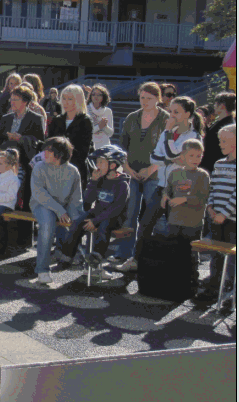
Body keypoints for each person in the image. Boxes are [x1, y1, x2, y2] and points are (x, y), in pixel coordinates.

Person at [116, 95, 203, 273]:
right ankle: (137, 260)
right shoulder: (166, 133)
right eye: (170, 111)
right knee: (146, 224)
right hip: (162, 186)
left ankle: (175, 268)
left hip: (181, 189)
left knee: (175, 230)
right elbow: (155, 157)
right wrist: (171, 158)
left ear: (187, 114)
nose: (171, 116)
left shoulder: (193, 136)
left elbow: (175, 157)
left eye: (176, 112)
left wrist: (170, 152)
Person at [113, 82, 170, 263]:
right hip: (131, 172)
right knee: (129, 214)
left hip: (155, 173)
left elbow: (169, 150)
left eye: (149, 98)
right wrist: (127, 168)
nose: (144, 101)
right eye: (142, 97)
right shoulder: (131, 118)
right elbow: (122, 147)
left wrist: (152, 168)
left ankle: (147, 255)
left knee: (152, 217)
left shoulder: (165, 119)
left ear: (158, 99)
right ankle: (123, 253)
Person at [54, 145, 129, 279]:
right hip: (98, 214)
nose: (97, 165)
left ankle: (96, 260)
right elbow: (87, 202)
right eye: (97, 161)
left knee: (104, 225)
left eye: (101, 162)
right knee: (77, 222)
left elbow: (116, 208)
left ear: (112, 165)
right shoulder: (100, 179)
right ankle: (67, 256)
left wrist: (96, 221)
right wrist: (93, 181)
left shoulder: (122, 184)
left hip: (113, 218)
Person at [30, 137, 83, 284]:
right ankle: (42, 269)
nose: (44, 153)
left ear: (60, 154)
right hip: (41, 204)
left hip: (64, 207)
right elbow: (39, 193)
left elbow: (76, 199)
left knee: (78, 221)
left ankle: (75, 255)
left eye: (49, 150)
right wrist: (59, 210)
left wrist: (74, 218)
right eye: (45, 149)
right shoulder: (39, 167)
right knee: (47, 224)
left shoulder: (73, 171)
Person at [198, 124, 237, 302]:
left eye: (225, 141)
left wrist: (225, 213)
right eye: (220, 140)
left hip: (232, 219)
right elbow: (212, 188)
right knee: (216, 253)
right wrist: (211, 207)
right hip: (215, 216)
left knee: (231, 256)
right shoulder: (219, 164)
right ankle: (214, 286)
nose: (220, 144)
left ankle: (229, 289)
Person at [47, 84, 94, 185]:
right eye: (63, 98)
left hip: (75, 171)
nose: (65, 102)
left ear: (78, 100)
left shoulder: (85, 121)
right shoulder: (57, 120)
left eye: (70, 99)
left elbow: (83, 151)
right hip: (54, 170)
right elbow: (48, 143)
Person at [201, 91, 236, 173]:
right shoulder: (222, 121)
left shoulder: (228, 126)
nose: (214, 106)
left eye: (215, 104)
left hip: (217, 168)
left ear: (222, 105)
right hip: (212, 166)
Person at [87, 85, 114, 149]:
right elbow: (86, 132)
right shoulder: (86, 110)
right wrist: (99, 126)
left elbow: (110, 133)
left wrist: (105, 126)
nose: (96, 97)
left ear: (103, 96)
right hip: (90, 147)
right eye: (93, 94)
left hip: (105, 147)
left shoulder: (108, 111)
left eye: (99, 95)